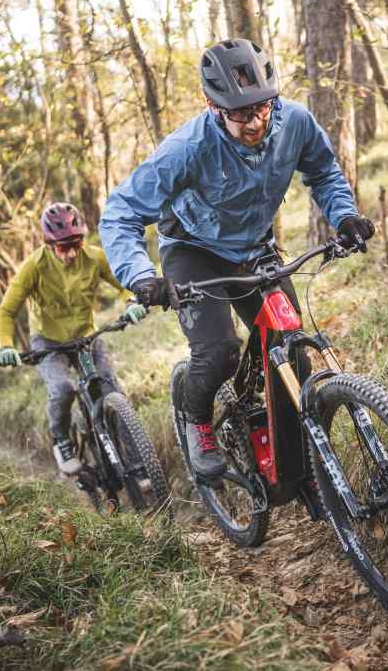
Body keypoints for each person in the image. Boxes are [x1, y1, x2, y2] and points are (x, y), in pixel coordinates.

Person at [99, 38, 373, 479]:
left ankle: (295, 463)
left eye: (264, 107)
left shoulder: (295, 122)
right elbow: (120, 214)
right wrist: (142, 276)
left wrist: (345, 217)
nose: (256, 122)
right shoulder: (187, 148)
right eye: (242, 113)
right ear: (213, 105)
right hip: (193, 253)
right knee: (220, 350)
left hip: (254, 247)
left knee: (290, 347)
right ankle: (198, 422)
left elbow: (322, 171)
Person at [0, 203, 147, 475]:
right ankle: (62, 440)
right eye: (64, 247)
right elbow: (6, 312)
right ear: (50, 244)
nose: (72, 253)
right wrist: (6, 345)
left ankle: (139, 467)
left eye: (76, 244)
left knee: (112, 391)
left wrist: (132, 301)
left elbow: (123, 284)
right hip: (48, 342)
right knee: (63, 389)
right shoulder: (33, 267)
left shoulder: (94, 257)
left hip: (86, 337)